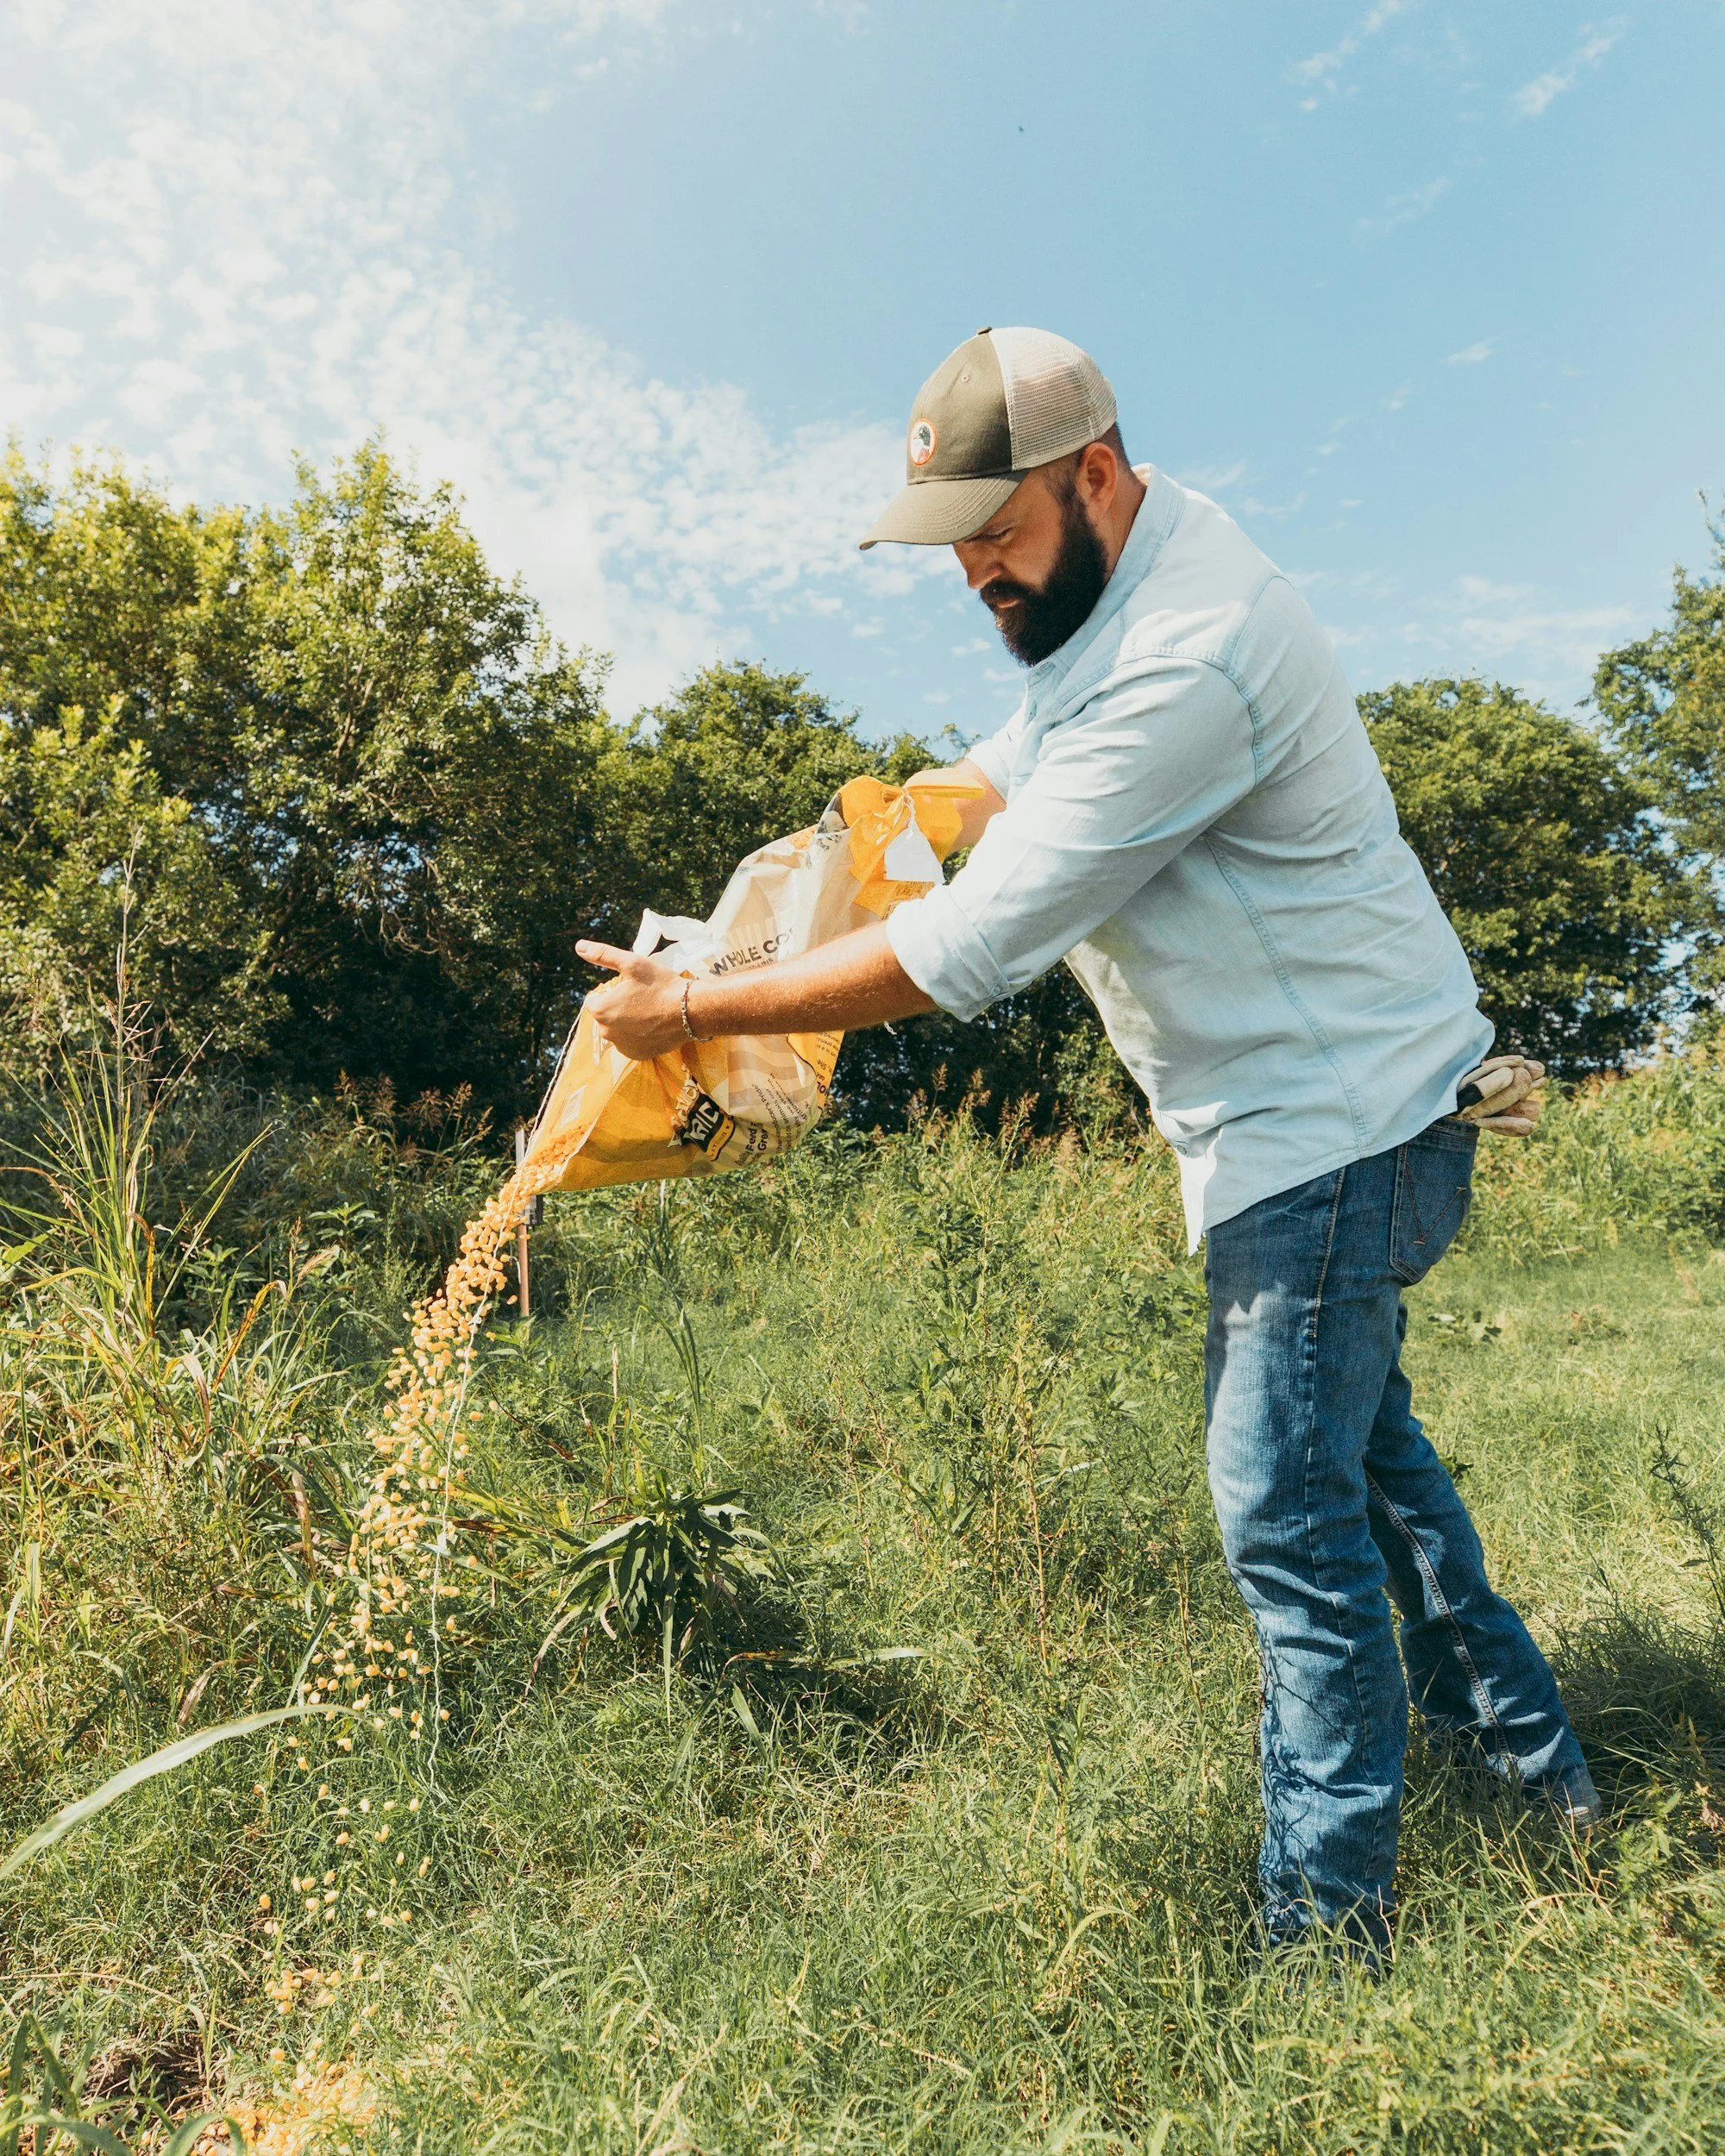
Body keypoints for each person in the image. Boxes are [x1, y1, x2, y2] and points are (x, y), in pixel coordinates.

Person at [576, 326, 1599, 1959]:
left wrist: (703, 1007)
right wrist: (878, 820)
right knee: (1374, 1471)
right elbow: (1000, 775)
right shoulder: (1112, 585)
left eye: (996, 532)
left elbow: (964, 953)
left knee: (1286, 1518)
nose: (975, 571)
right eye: (952, 544)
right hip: (1337, 1105)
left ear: (1095, 477)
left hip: (1327, 1132)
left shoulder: (1187, 661)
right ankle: (1545, 1781)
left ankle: (1326, 1943)